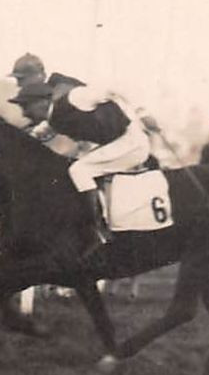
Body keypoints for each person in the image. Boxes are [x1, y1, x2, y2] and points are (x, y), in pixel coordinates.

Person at [9, 78, 152, 256]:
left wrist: (143, 114)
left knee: (79, 170)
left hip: (132, 144)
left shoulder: (76, 97)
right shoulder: (53, 121)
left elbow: (114, 86)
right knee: (73, 168)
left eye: (25, 107)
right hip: (120, 144)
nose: (24, 114)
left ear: (43, 102)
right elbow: (37, 134)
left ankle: (96, 231)